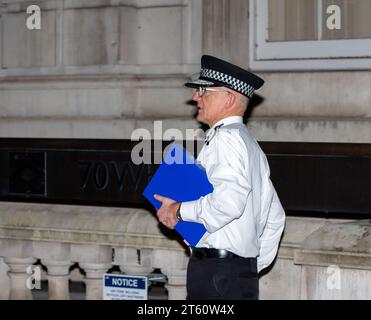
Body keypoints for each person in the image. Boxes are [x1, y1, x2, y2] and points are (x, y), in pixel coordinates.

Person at [154, 55, 285, 300]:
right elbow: (275, 217)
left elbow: (228, 203)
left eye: (204, 91)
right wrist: (247, 265)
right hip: (231, 275)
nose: (196, 97)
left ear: (229, 99)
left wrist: (180, 211)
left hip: (217, 276)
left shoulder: (227, 139)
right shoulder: (249, 144)